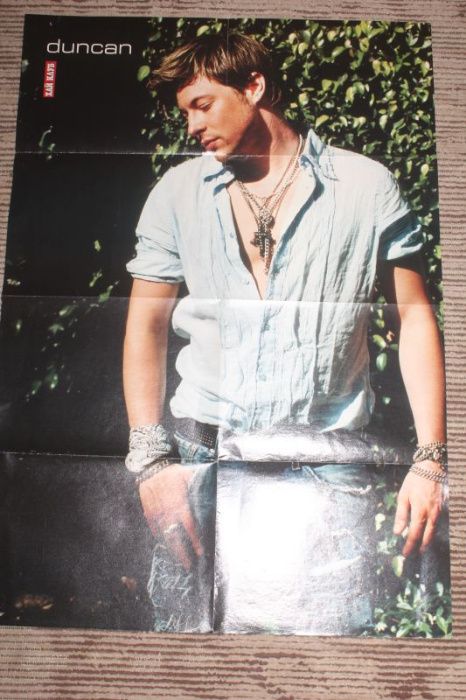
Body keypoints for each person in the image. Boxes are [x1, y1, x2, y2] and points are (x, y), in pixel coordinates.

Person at [123, 32, 447, 634]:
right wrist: (151, 461)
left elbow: (415, 317)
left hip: (326, 462)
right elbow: (146, 324)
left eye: (202, 105)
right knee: (194, 650)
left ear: (253, 86)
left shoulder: (366, 187)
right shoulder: (176, 194)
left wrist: (430, 461)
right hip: (203, 457)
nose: (192, 127)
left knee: (326, 654)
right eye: (184, 113)